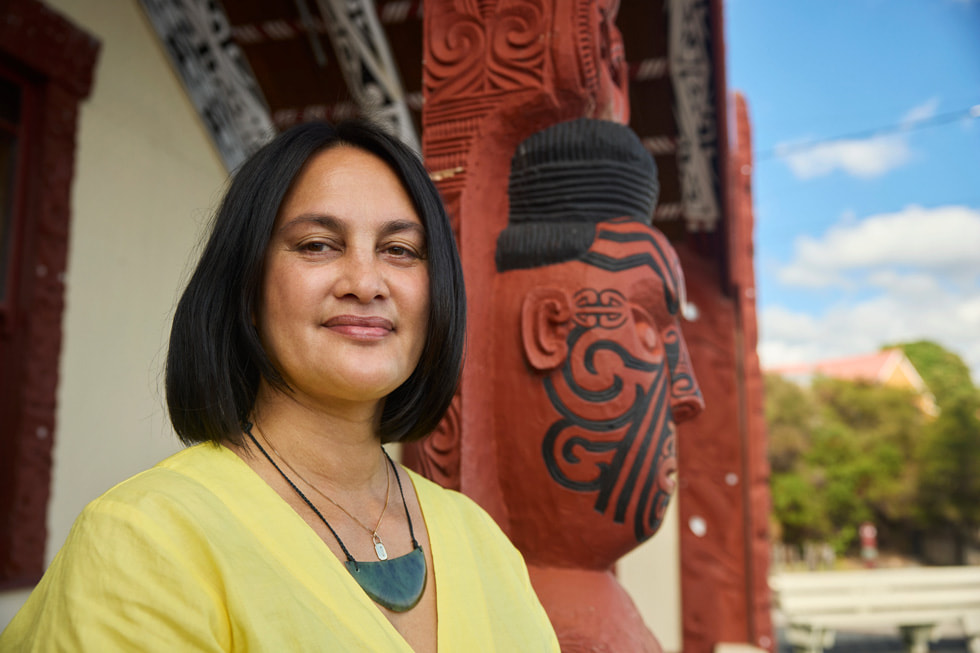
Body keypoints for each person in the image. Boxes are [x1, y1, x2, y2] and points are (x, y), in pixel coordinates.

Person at [0, 120, 559, 652]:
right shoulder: (145, 538)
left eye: (400, 251)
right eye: (318, 244)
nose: (366, 283)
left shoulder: (482, 542)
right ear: (247, 285)